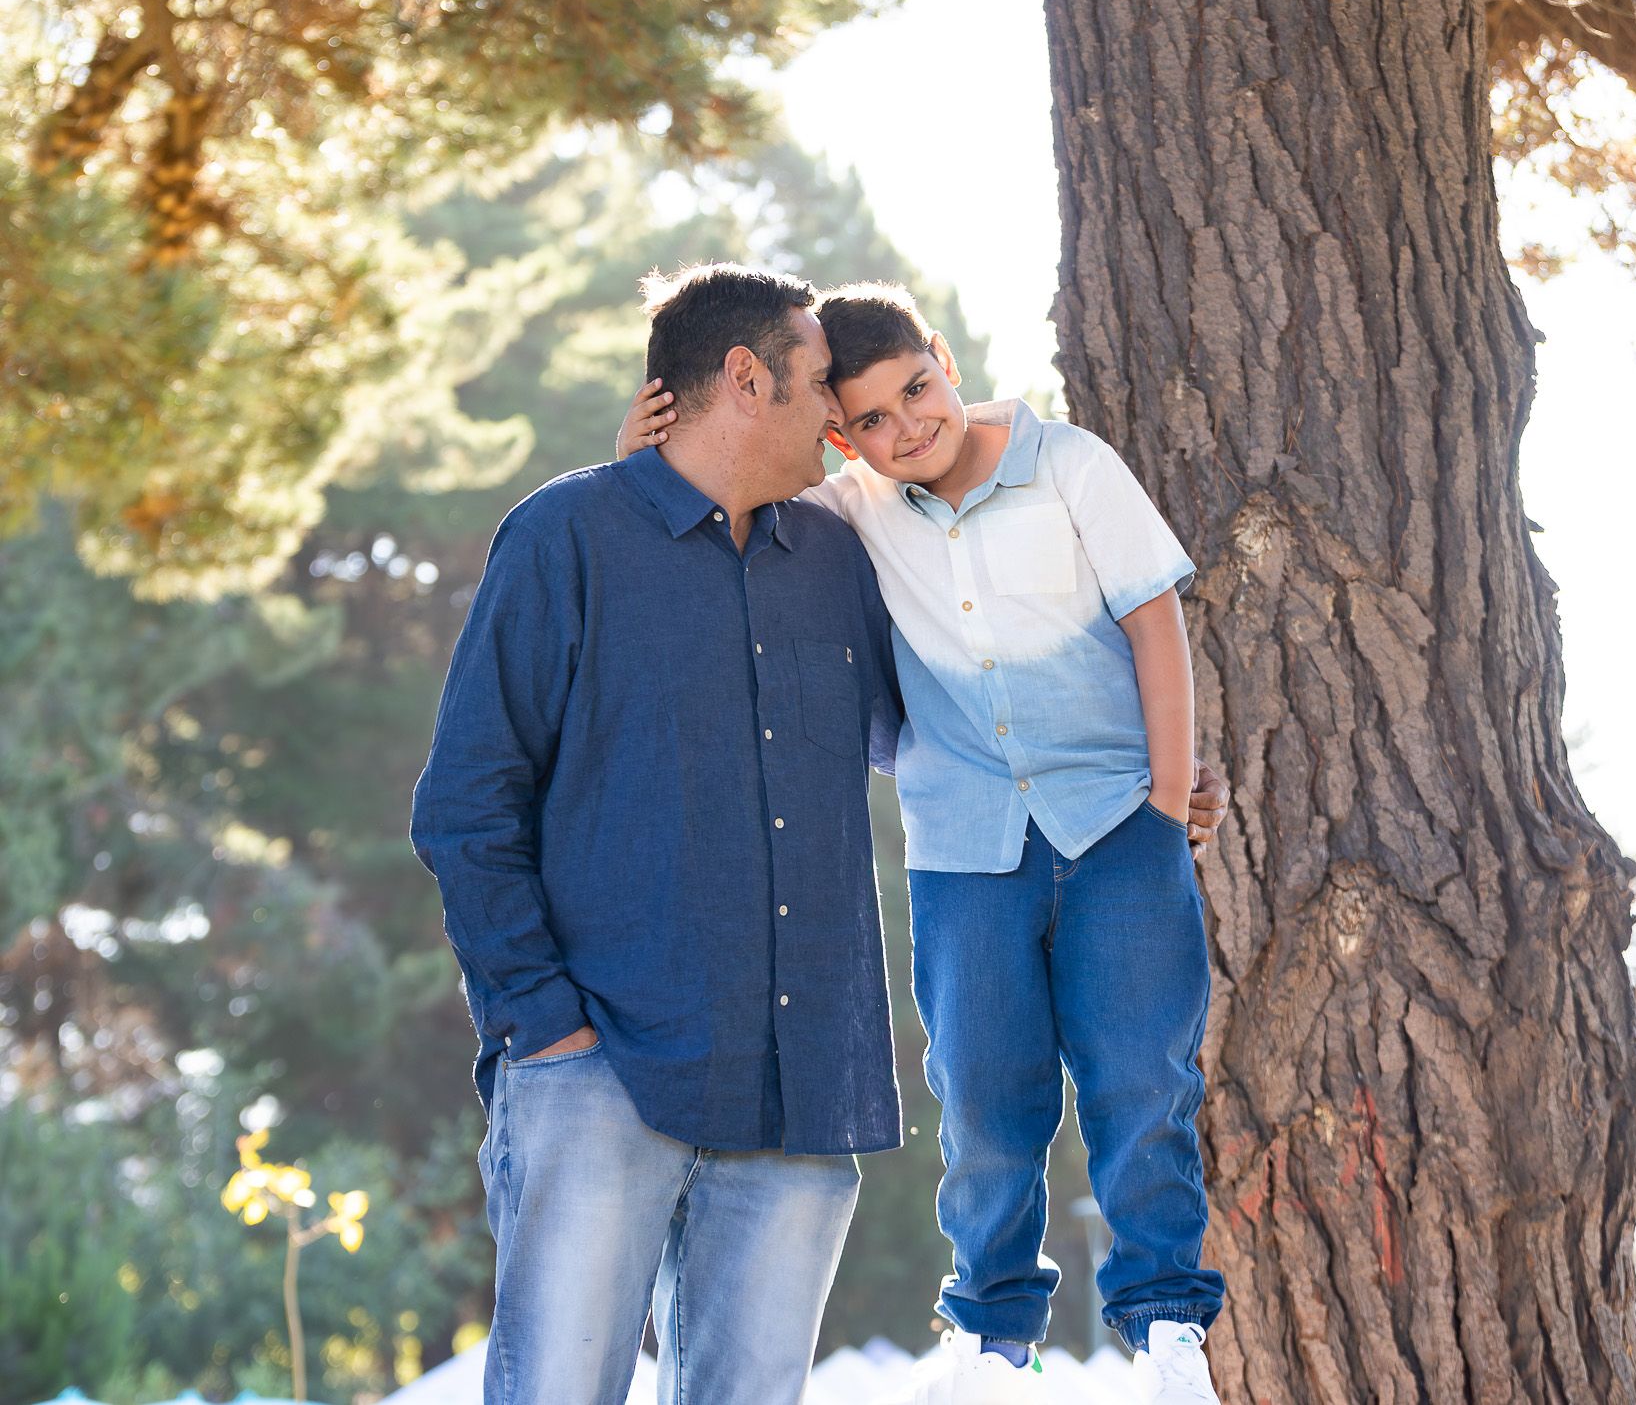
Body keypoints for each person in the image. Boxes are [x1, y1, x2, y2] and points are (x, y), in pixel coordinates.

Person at [418, 262, 1227, 1405]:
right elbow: (466, 804)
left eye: (880, 405)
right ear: (747, 381)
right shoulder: (568, 535)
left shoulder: (837, 556)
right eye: (826, 398)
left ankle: (1126, 1325)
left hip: (796, 1095)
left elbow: (938, 725)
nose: (850, 434)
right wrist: (543, 1026)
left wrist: (1146, 777)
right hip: (600, 1069)